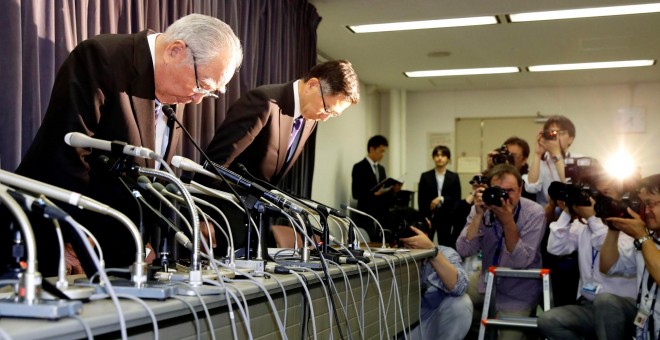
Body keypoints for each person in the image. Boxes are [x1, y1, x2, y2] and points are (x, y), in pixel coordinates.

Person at [11, 14, 243, 277]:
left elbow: (143, 177)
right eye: (203, 86)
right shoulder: (102, 58)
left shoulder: (175, 87)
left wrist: (141, 241)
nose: (199, 100)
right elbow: (66, 154)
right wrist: (71, 236)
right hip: (60, 240)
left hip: (116, 248)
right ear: (175, 50)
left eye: (210, 93)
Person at [204, 59, 360, 184]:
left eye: (333, 114)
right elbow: (214, 165)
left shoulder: (310, 119)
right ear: (312, 85)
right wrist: (206, 217)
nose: (325, 118)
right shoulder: (264, 102)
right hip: (219, 211)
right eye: (327, 108)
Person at [537, 173, 637, 339]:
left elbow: (611, 259)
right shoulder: (582, 226)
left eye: (606, 193)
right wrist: (568, 211)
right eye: (595, 194)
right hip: (589, 305)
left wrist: (593, 218)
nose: (597, 199)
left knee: (605, 301)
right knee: (549, 320)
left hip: (624, 308)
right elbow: (555, 248)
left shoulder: (631, 227)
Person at [456, 163, 546, 340]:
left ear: (520, 190)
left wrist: (507, 221)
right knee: (452, 305)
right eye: (498, 190)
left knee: (509, 337)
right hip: (485, 281)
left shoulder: (535, 213)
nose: (504, 197)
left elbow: (520, 262)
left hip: (518, 290)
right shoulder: (482, 208)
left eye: (510, 191)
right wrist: (478, 215)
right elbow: (464, 249)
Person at [600, 174, 660, 340]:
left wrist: (642, 236)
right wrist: (613, 228)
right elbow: (607, 267)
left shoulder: (645, 239)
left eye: (650, 204)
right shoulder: (650, 239)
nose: (645, 211)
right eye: (642, 204)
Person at [399, 225, 472, 340]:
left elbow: (460, 287)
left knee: (461, 303)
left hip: (433, 322)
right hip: (402, 326)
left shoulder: (445, 253)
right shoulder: (393, 256)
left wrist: (433, 252)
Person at [525, 115, 578, 208]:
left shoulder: (577, 160)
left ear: (571, 138)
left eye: (560, 133)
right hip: (546, 215)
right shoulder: (541, 162)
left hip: (573, 213)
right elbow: (531, 188)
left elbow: (571, 187)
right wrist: (537, 154)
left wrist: (557, 155)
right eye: (551, 133)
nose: (556, 137)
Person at [417, 145, 461, 247]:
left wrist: (441, 198)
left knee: (446, 245)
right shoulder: (425, 176)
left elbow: (456, 198)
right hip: (429, 217)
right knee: (425, 245)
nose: (440, 158)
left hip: (446, 216)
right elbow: (421, 199)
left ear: (448, 159)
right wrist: (424, 217)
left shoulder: (454, 177)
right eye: (437, 155)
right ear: (433, 158)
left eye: (443, 155)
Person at [351, 135, 393, 238]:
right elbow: (356, 193)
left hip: (380, 215)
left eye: (384, 152)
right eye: (381, 151)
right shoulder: (359, 167)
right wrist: (374, 194)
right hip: (365, 214)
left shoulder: (381, 169)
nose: (382, 155)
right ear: (371, 149)